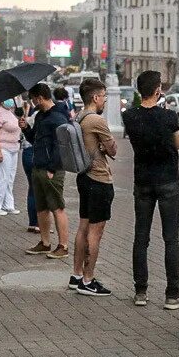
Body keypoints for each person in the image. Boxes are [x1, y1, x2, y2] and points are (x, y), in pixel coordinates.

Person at [122, 71, 179, 308]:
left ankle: (140, 291)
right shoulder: (170, 116)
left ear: (139, 91)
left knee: (141, 237)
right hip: (168, 180)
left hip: (143, 181)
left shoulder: (130, 117)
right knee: (171, 239)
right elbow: (177, 144)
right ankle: (172, 294)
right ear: (158, 90)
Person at [68, 78, 118, 297]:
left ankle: (76, 274)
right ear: (96, 97)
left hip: (84, 177)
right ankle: (88, 280)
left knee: (83, 227)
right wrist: (105, 145)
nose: (105, 100)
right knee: (95, 233)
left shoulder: (78, 116)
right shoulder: (96, 120)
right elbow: (114, 150)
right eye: (104, 96)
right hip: (99, 179)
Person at [23, 83, 72, 261]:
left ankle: (63, 245)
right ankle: (44, 242)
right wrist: (25, 129)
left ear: (40, 97)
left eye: (33, 98)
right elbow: (34, 138)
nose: (32, 102)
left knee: (57, 207)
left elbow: (62, 145)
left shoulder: (58, 117)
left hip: (52, 170)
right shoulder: (40, 117)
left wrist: (52, 168)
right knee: (41, 207)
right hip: (38, 166)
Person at [0, 98, 22, 216]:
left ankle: (8, 204)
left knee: (10, 177)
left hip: (13, 148)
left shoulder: (10, 112)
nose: (10, 100)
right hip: (3, 147)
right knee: (3, 177)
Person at [18, 97, 39, 233]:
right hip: (35, 152)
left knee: (32, 188)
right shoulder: (40, 116)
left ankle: (33, 222)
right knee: (40, 190)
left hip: (27, 152)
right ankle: (40, 223)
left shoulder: (29, 117)